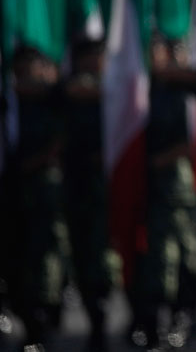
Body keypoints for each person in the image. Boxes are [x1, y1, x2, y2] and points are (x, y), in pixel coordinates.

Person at [131, 35, 196, 349]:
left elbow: (195, 140)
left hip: (181, 190)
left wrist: (160, 160)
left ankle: (184, 316)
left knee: (187, 257)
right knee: (157, 258)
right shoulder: (141, 92)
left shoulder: (186, 94)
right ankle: (152, 322)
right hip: (148, 190)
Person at [61, 38, 120, 351]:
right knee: (82, 256)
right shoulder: (66, 93)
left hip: (107, 190)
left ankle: (105, 316)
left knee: (105, 258)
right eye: (88, 56)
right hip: (77, 188)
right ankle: (94, 317)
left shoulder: (115, 90)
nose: (93, 61)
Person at [8, 46, 69, 349]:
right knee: (17, 258)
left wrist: (32, 164)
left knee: (47, 256)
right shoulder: (12, 103)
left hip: (44, 192)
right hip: (15, 194)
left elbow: (60, 141)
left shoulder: (52, 99)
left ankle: (45, 319)